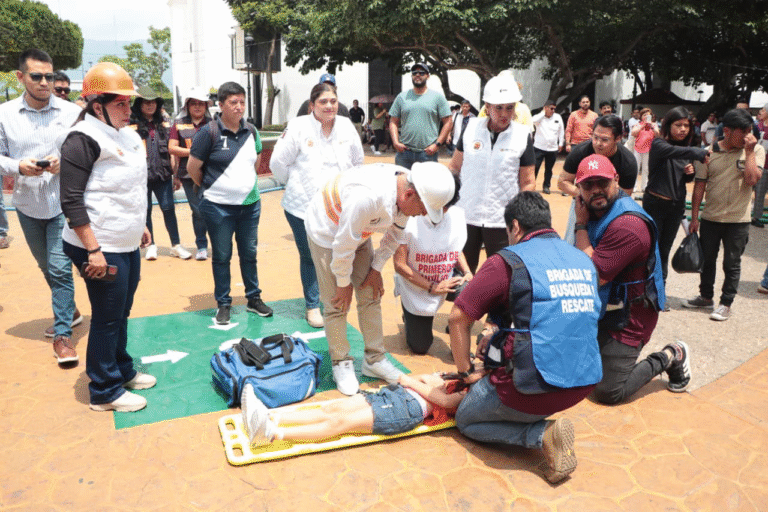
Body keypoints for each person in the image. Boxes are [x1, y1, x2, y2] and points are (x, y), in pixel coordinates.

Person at [448, 191, 602, 483]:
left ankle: (540, 433)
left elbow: (458, 318)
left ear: (515, 227)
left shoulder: (506, 261)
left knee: (466, 419)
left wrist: (466, 372)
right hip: (583, 381)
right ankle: (538, 422)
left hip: (533, 389)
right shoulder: (583, 260)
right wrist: (497, 329)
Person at [304, 162, 456, 395]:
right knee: (336, 303)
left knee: (371, 292)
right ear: (409, 194)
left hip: (359, 229)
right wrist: (343, 284)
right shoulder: (366, 198)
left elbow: (395, 233)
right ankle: (340, 361)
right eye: (424, 209)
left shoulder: (408, 191)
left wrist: (375, 269)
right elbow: (343, 246)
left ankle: (374, 360)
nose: (425, 215)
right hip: (328, 231)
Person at [59, 62, 156, 412]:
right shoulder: (82, 138)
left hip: (126, 240)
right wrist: (93, 250)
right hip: (99, 246)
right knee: (107, 315)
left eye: (129, 103)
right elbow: (70, 200)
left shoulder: (127, 135)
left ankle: (121, 369)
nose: (128, 110)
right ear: (96, 104)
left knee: (122, 310)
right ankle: (104, 390)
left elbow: (128, 189)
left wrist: (141, 223)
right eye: (121, 104)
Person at [573, 154, 690, 404]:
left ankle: (671, 355)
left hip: (631, 315)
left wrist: (580, 226)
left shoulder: (627, 224)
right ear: (578, 189)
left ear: (616, 180)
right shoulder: (595, 209)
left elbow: (591, 278)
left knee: (607, 391)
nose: (595, 191)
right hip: (604, 306)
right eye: (587, 185)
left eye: (602, 183)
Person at [0, 48, 83, 361]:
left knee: (60, 267)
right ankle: (70, 309)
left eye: (49, 76)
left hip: (63, 202)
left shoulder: (70, 112)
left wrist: (67, 162)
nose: (45, 82)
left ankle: (62, 336)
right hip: (26, 204)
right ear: (21, 77)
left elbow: (86, 151)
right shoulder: (4, 114)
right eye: (37, 76)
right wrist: (19, 167)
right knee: (45, 264)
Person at [270, 82, 364, 329]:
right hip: (302, 207)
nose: (329, 106)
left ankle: (332, 301)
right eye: (323, 101)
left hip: (338, 208)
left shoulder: (345, 126)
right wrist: (294, 184)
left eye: (333, 101)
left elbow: (357, 161)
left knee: (338, 254)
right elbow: (278, 162)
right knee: (310, 257)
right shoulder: (298, 126)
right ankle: (313, 306)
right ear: (312, 105)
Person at [187, 81, 273, 325]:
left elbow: (256, 161)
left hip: (249, 206)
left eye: (242, 102)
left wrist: (242, 185)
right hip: (217, 207)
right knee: (222, 256)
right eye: (233, 102)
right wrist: (214, 187)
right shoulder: (208, 132)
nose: (239, 107)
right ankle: (223, 303)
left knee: (249, 253)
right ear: (221, 104)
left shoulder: (252, 131)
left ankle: (254, 298)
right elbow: (193, 168)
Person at [683, 108, 765, 321]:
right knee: (707, 260)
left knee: (732, 263)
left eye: (750, 130)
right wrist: (694, 218)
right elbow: (699, 186)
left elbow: (752, 180)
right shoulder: (708, 153)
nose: (749, 136)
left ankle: (726, 303)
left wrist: (748, 152)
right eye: (744, 131)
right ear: (727, 131)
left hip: (738, 221)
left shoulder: (756, 151)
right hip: (711, 217)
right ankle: (705, 296)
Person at [448, 75, 536, 273]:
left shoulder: (522, 136)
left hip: (502, 220)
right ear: (487, 106)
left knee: (502, 276)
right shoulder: (470, 129)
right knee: (461, 276)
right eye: (498, 107)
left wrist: (520, 217)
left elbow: (528, 182)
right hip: (466, 215)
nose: (505, 113)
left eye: (510, 107)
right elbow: (454, 167)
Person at [241, 373, 466, 446]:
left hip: (406, 408)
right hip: (398, 395)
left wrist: (414, 381)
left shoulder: (473, 391)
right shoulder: (464, 373)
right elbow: (428, 379)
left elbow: (445, 402)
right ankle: (270, 416)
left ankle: (269, 434)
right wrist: (423, 381)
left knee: (341, 423)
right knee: (333, 408)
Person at [393, 174, 471, 354]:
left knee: (470, 291)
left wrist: (467, 272)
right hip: (416, 285)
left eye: (446, 205)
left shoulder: (456, 215)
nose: (442, 210)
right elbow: (400, 265)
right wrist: (432, 287)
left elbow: (455, 249)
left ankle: (459, 341)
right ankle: (409, 314)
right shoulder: (409, 214)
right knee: (420, 347)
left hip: (446, 279)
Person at [643, 107, 709, 283]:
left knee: (665, 250)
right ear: (668, 125)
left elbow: (683, 178)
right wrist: (697, 152)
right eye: (678, 125)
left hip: (675, 206)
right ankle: (645, 291)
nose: (683, 129)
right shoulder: (659, 145)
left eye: (686, 125)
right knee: (651, 249)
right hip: (655, 204)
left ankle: (660, 292)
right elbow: (675, 152)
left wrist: (689, 173)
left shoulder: (685, 149)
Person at [129, 86, 192, 261]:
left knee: (168, 208)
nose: (150, 106)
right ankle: (151, 246)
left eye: (153, 102)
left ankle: (176, 245)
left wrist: (176, 174)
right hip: (141, 176)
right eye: (146, 102)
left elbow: (171, 150)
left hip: (163, 174)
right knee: (146, 209)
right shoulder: (131, 125)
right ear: (139, 104)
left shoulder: (164, 123)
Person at [557, 115, 637, 244]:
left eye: (605, 139)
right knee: (572, 243)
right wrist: (585, 195)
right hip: (582, 203)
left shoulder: (627, 162)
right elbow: (562, 182)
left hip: (611, 206)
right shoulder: (580, 152)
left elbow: (624, 196)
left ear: (618, 138)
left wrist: (601, 202)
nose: (598, 143)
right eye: (595, 137)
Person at [168, 87, 213, 260]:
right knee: (198, 211)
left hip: (211, 175)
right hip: (188, 177)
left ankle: (218, 243)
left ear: (206, 106)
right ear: (187, 105)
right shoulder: (178, 123)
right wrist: (195, 153)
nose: (197, 107)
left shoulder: (213, 123)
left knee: (214, 210)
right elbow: (172, 148)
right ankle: (201, 245)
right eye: (193, 103)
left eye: (201, 104)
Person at [389, 63, 452, 169]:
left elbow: (448, 122)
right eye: (414, 73)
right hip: (404, 153)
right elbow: (393, 121)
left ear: (428, 76)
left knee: (427, 185)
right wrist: (395, 142)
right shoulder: (402, 97)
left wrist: (437, 145)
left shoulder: (437, 97)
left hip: (428, 153)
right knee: (402, 184)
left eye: (422, 73)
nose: (418, 75)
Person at [531, 98, 564, 194]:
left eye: (554, 109)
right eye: (551, 108)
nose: (553, 111)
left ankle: (546, 186)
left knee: (549, 169)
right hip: (539, 147)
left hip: (552, 148)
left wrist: (561, 143)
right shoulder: (539, 118)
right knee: (535, 167)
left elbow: (561, 131)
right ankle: (532, 186)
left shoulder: (557, 117)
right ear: (545, 108)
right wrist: (543, 113)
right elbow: (532, 121)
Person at [628, 107, 660, 196]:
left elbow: (657, 134)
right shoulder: (638, 124)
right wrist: (643, 125)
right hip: (637, 148)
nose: (646, 116)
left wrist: (652, 126)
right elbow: (633, 133)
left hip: (649, 149)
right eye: (644, 115)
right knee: (636, 168)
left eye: (648, 115)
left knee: (646, 169)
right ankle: (634, 186)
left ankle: (644, 186)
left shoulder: (654, 124)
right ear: (641, 117)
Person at [751, 104, 768, 228]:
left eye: (763, 110)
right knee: (759, 191)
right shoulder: (757, 127)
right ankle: (756, 216)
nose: (760, 112)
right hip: (760, 163)